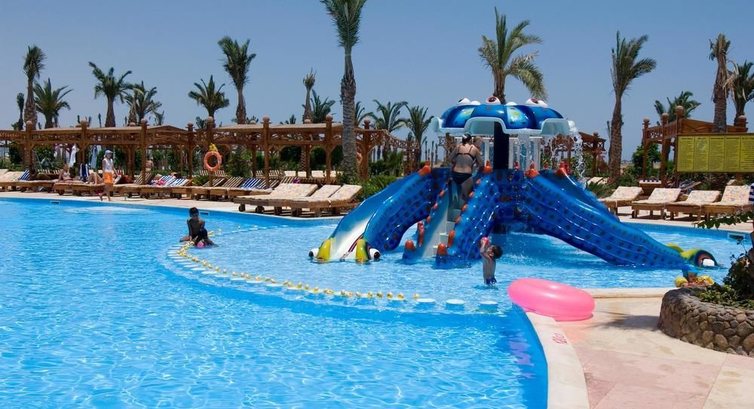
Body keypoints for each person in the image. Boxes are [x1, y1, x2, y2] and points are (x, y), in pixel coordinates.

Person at [449, 133, 483, 207]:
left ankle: (455, 208)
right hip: (466, 175)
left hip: (455, 174)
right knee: (468, 198)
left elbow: (450, 158)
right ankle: (463, 212)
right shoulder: (474, 149)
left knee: (457, 195)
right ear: (470, 140)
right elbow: (481, 163)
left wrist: (456, 162)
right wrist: (474, 164)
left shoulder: (458, 147)